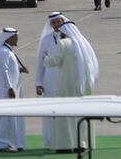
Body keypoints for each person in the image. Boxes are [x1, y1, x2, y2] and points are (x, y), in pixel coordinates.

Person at [43, 21, 99, 152]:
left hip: (66, 85)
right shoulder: (84, 44)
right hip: (83, 85)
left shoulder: (63, 44)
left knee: (65, 115)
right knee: (81, 115)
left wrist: (45, 59)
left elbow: (54, 61)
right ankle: (82, 144)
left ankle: (65, 145)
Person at [0, 28, 27, 153]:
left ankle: (14, 142)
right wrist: (9, 88)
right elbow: (3, 71)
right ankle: (3, 144)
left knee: (12, 116)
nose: (17, 39)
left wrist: (20, 70)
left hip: (12, 88)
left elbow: (9, 69)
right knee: (5, 116)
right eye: (15, 37)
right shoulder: (4, 52)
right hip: (7, 90)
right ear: (8, 38)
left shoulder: (8, 51)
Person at [34, 12, 69, 148]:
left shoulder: (71, 37)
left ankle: (66, 140)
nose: (56, 25)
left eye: (58, 22)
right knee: (51, 110)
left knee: (66, 109)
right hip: (50, 78)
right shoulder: (46, 39)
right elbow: (40, 61)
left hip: (67, 76)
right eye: (53, 23)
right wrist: (38, 82)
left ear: (63, 21)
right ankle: (50, 140)